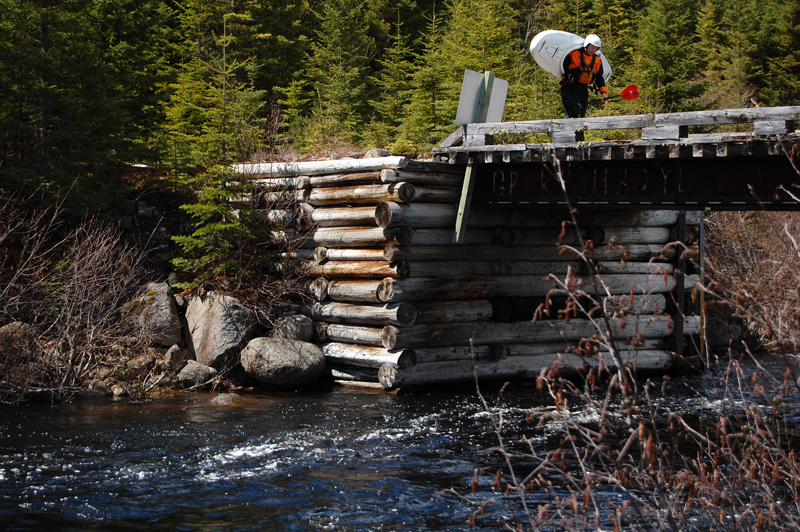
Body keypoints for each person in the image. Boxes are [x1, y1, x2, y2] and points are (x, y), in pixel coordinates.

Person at [560, 34, 608, 118]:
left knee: (580, 115)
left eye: (596, 48)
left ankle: (579, 131)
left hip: (582, 90)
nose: (593, 50)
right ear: (587, 45)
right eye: (592, 47)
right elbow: (562, 67)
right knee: (570, 115)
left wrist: (603, 92)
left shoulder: (597, 60)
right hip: (569, 88)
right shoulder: (573, 54)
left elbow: (599, 77)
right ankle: (568, 130)